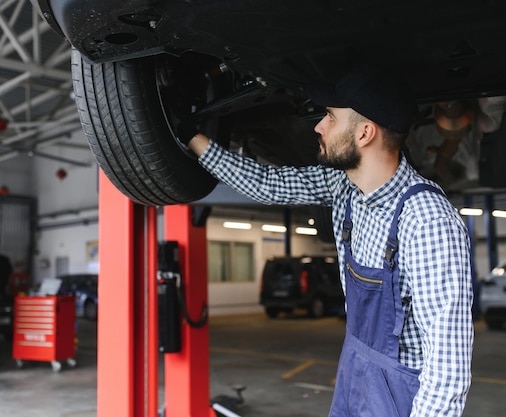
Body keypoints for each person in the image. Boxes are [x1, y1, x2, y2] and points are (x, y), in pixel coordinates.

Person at [177, 66, 474, 417]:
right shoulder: (344, 187)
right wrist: (193, 139)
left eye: (331, 117)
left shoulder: (426, 221)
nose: (318, 126)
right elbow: (269, 183)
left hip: (399, 396)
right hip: (354, 371)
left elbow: (448, 365)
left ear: (365, 133)